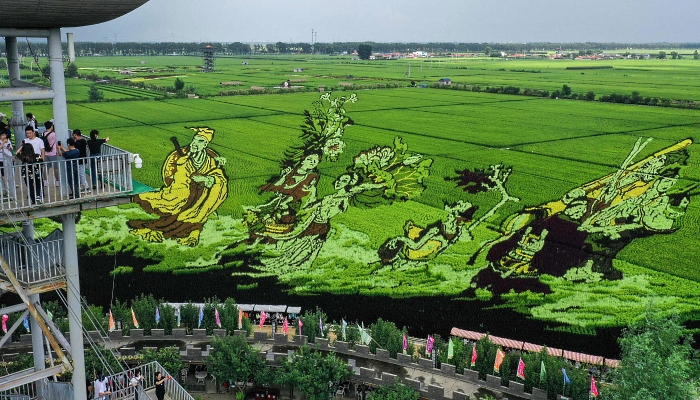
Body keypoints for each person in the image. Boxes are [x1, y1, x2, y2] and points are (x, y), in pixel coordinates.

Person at [128, 127, 228, 246]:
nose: (195, 143)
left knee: (214, 192)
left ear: (205, 144)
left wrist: (207, 178)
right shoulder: (184, 159)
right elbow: (179, 176)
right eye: (194, 140)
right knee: (176, 206)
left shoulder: (210, 160)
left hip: (201, 195)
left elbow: (219, 177)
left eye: (200, 141)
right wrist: (191, 174)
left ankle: (188, 231)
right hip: (185, 193)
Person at [42, 121, 60, 187]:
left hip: (46, 153)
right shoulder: (53, 134)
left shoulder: (43, 133)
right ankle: (57, 181)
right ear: (51, 126)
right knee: (56, 168)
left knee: (46, 168)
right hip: (53, 153)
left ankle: (45, 181)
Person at [0, 130, 14, 199]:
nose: (4, 137)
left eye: (4, 135)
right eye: (2, 135)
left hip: (7, 159)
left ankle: (9, 191)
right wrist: (3, 143)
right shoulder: (2, 141)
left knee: (8, 175)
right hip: (1, 159)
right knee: (2, 175)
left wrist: (9, 147)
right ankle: (3, 190)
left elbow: (11, 149)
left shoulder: (8, 140)